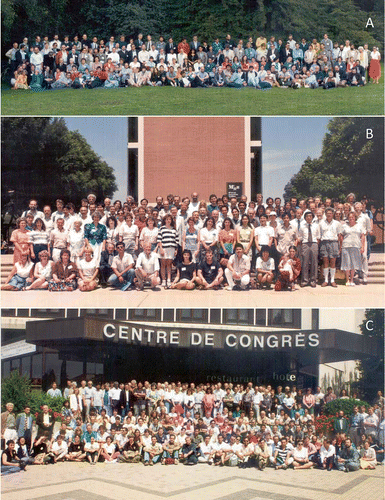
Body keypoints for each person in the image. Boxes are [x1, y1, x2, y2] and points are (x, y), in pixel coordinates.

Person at [339, 212, 365, 286]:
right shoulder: (344, 226)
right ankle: (347, 280)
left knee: (353, 264)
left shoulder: (359, 226)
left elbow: (362, 236)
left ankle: (352, 280)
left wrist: (362, 246)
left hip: (356, 246)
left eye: (352, 217)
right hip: (346, 246)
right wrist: (341, 245)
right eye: (350, 217)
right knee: (347, 264)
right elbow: (341, 236)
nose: (351, 218)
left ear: (355, 218)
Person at [299, 210, 320, 287]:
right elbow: (300, 237)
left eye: (310, 216)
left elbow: (318, 237)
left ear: (312, 217)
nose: (309, 218)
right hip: (305, 244)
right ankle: (305, 280)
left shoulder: (316, 225)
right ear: (305, 218)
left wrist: (315, 244)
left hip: (314, 243)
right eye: (307, 216)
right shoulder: (302, 226)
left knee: (314, 262)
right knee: (305, 262)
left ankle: (313, 280)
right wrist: (304, 245)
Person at [157, 214, 178, 288]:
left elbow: (176, 240)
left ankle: (168, 280)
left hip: (171, 249)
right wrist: (161, 249)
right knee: (163, 265)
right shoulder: (162, 229)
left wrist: (176, 249)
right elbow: (159, 240)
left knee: (169, 265)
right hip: (164, 248)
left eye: (169, 219)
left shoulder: (174, 229)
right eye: (166, 219)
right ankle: (163, 280)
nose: (168, 220)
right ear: (164, 220)